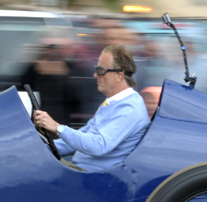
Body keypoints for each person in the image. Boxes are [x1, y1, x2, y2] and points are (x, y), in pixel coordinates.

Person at [32, 44, 149, 172]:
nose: (95, 75)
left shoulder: (129, 109)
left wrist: (56, 127)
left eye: (101, 70)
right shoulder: (113, 102)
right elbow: (81, 137)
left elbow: (99, 145)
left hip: (92, 177)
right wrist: (40, 148)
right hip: (81, 171)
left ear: (119, 76)